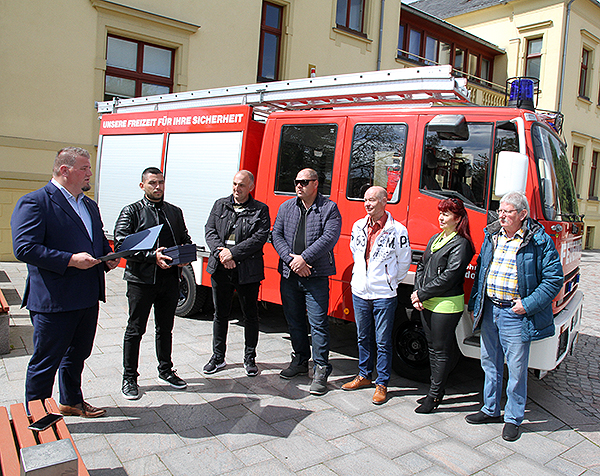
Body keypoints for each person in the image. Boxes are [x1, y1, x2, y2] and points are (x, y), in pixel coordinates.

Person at [11, 147, 120, 417]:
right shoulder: (35, 202)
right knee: (45, 361)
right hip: (54, 299)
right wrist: (70, 259)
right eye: (84, 168)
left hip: (86, 295)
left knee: (77, 355)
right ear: (64, 170)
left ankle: (71, 401)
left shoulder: (88, 204)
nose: (89, 173)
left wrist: (107, 258)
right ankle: (36, 418)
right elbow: (24, 248)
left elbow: (95, 242)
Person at [465, 191, 563, 441]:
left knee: (517, 369)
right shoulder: (492, 235)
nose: (502, 215)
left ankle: (513, 418)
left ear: (522, 214)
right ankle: (490, 409)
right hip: (490, 309)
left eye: (508, 212)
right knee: (489, 363)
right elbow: (482, 271)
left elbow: (554, 280)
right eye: (501, 211)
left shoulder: (539, 241)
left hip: (515, 314)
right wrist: (477, 303)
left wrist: (528, 304)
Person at [114, 167, 192, 400]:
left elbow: (185, 240)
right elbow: (121, 244)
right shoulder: (132, 211)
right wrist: (151, 257)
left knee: (165, 329)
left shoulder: (174, 212)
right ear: (142, 186)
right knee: (135, 329)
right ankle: (129, 378)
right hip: (141, 281)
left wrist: (183, 257)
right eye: (152, 183)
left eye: (161, 182)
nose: (158, 187)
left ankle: (166, 371)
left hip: (169, 281)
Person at [272, 168, 342, 395]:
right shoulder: (286, 207)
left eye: (304, 181)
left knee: (318, 324)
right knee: (294, 321)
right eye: (296, 181)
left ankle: (321, 369)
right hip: (290, 274)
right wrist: (292, 261)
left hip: (316, 276)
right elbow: (276, 235)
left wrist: (305, 259)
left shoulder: (329, 208)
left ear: (315, 184)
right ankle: (300, 361)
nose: (299, 185)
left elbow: (329, 238)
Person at [342, 186, 411, 405]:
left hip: (384, 294)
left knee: (382, 341)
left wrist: (390, 281)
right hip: (360, 291)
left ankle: (382, 384)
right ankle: (364, 375)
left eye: (372, 200)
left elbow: (404, 262)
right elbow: (355, 251)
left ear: (384, 201)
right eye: (365, 200)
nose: (368, 204)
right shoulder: (358, 226)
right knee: (363, 336)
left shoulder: (398, 230)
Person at [411, 198, 475, 413]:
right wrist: (417, 293)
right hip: (427, 301)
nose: (441, 217)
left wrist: (421, 292)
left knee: (441, 351)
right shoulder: (435, 238)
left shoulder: (462, 244)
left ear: (458, 219)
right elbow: (422, 266)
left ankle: (435, 395)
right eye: (440, 213)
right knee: (431, 348)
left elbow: (450, 277)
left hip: (446, 305)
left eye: (446, 214)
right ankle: (433, 390)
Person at [203, 170, 270, 376]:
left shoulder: (260, 210)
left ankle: (250, 358)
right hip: (221, 268)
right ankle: (217, 357)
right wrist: (221, 253)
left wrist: (233, 253)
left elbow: (259, 238)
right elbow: (210, 230)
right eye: (234, 184)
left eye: (241, 185)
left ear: (250, 187)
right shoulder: (220, 204)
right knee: (220, 314)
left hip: (247, 270)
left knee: (250, 315)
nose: (236, 188)